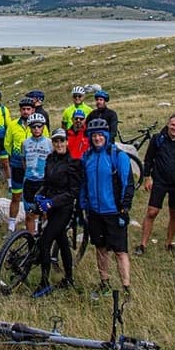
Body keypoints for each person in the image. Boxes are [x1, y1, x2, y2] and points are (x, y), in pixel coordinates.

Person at [80, 118, 135, 299]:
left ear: (106, 136)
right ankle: (104, 283)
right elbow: (83, 184)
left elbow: (128, 184)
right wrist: (83, 205)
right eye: (94, 135)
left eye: (100, 135)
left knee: (120, 251)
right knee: (101, 249)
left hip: (114, 212)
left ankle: (126, 287)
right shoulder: (87, 157)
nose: (97, 138)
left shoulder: (117, 156)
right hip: (95, 212)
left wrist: (124, 208)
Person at [31, 129, 84, 297]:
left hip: (64, 208)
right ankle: (69, 278)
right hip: (50, 206)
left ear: (67, 142)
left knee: (46, 241)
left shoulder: (73, 163)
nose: (59, 144)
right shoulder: (50, 159)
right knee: (61, 241)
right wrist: (40, 193)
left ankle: (44, 282)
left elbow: (73, 192)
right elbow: (47, 182)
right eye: (56, 142)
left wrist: (53, 201)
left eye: (62, 141)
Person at [138, 114, 175, 255]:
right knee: (152, 212)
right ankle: (142, 245)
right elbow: (148, 159)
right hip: (160, 181)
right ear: (168, 124)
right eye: (173, 125)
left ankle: (169, 243)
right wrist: (147, 177)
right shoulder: (158, 139)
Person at [5, 97, 47, 233]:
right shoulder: (12, 125)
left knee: (39, 198)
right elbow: (7, 144)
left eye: (28, 109)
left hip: (37, 168)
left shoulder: (39, 124)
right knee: (16, 196)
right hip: (18, 164)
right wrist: (16, 156)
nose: (26, 111)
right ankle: (12, 222)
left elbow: (46, 145)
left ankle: (38, 224)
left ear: (33, 110)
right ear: (20, 110)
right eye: (23, 109)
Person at [21, 113, 53, 234]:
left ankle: (45, 238)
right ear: (30, 128)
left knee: (45, 212)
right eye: (33, 127)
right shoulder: (25, 143)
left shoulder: (49, 143)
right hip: (29, 181)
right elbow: (23, 160)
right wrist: (28, 173)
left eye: (39, 126)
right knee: (29, 213)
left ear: (43, 127)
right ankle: (31, 240)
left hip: (43, 182)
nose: (36, 129)